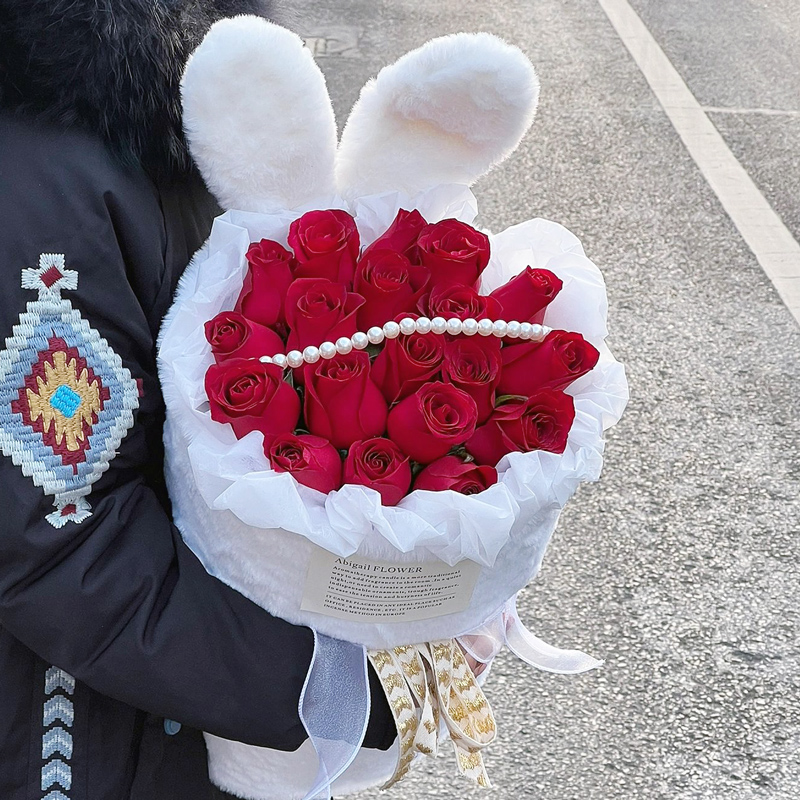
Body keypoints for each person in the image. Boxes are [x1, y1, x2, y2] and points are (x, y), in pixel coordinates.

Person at [0, 2, 395, 798]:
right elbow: (61, 539)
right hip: (83, 734)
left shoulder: (185, 102)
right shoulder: (51, 178)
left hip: (164, 696)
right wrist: (335, 678)